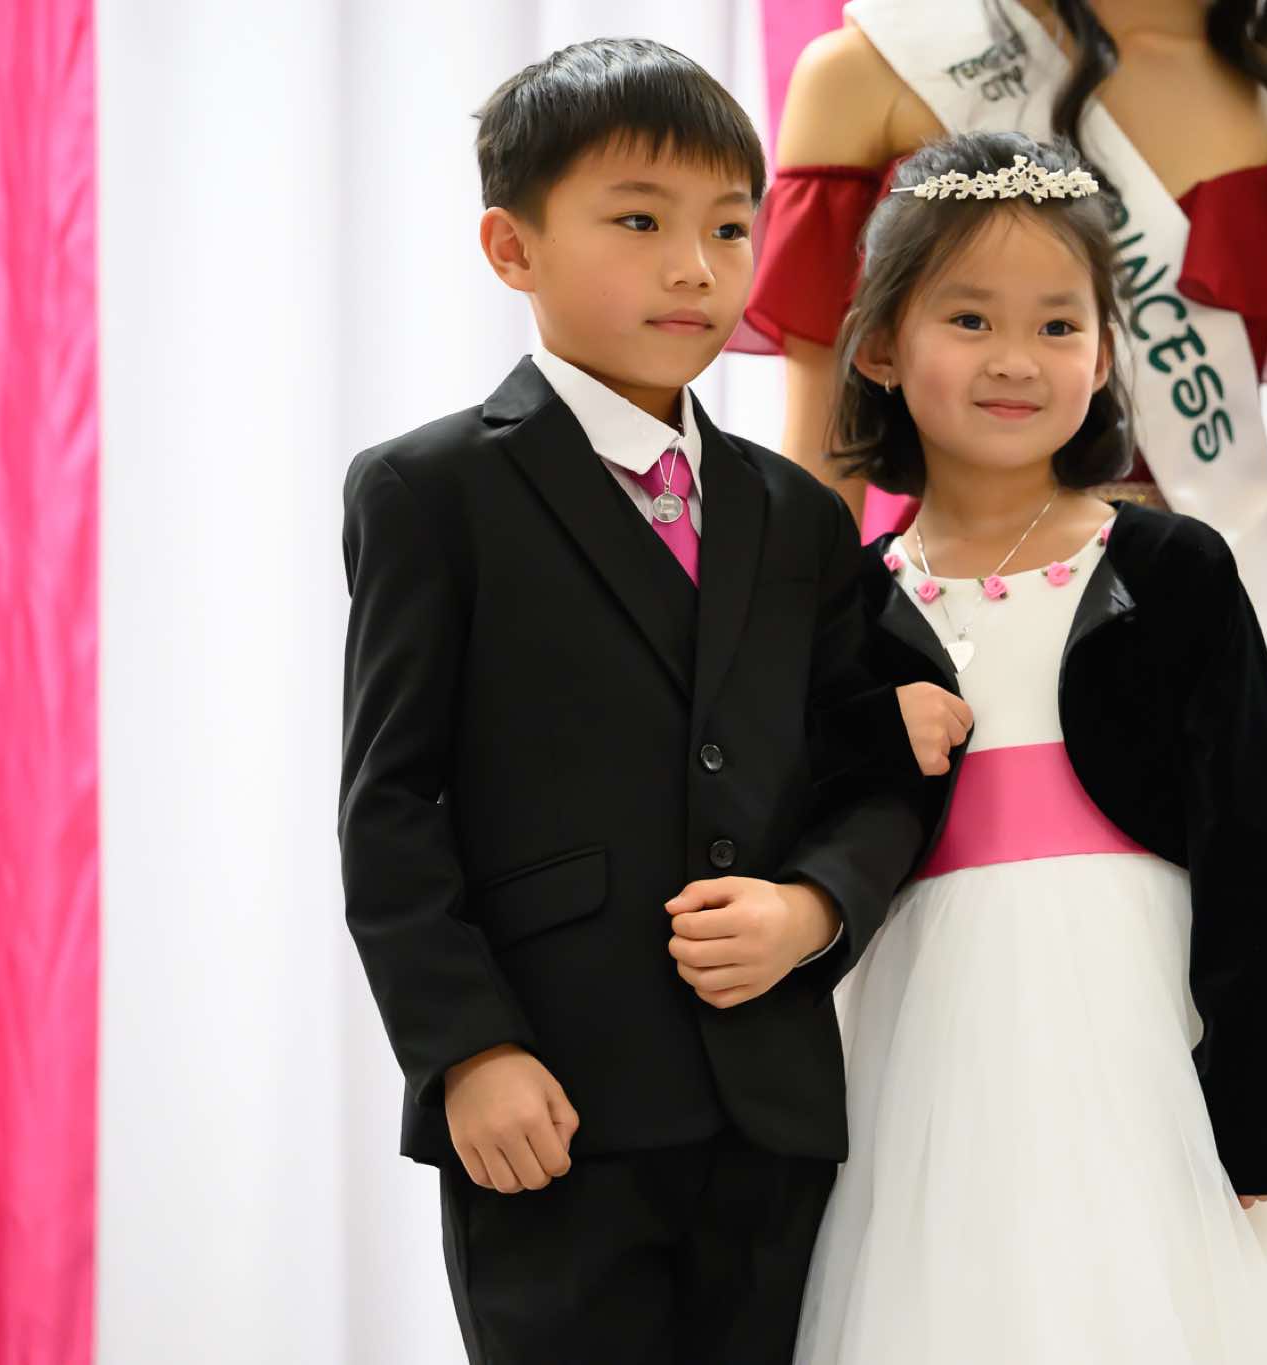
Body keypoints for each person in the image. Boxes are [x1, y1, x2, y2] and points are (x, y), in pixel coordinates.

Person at [791, 131, 1267, 1363]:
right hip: (938, 1056)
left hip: (1150, 1032)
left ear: (1103, 351)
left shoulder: (1169, 570)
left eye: (1058, 324)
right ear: (879, 348)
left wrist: (1254, 1108)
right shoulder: (845, 605)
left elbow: (1250, 851)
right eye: (968, 318)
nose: (1015, 358)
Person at [336, 38, 963, 1363]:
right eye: (639, 222)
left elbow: (888, 758)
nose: (694, 267)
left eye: (729, 228)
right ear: (512, 247)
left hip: (770, 1108)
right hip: (550, 1100)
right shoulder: (431, 492)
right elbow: (390, 804)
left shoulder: (794, 511)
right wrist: (468, 1051)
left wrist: (814, 908)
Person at [737, 0, 1267, 1004]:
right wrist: (788, 740)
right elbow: (825, 469)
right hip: (953, 641)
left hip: (1206, 656)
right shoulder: (875, 73)